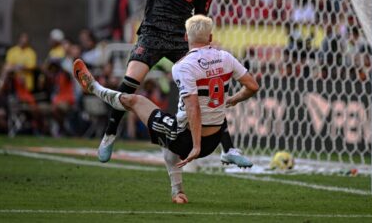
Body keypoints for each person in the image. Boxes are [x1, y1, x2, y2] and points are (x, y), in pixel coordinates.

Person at [69, 0, 253, 168]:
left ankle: (229, 149)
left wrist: (204, 48)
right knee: (129, 85)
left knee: (206, 86)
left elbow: (199, 22)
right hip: (152, 34)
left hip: (179, 39)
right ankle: (109, 135)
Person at [73, 15, 259, 203]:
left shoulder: (183, 66)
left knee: (134, 101)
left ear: (186, 37)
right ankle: (179, 191)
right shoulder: (225, 57)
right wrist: (233, 100)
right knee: (166, 127)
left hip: (187, 141)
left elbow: (192, 106)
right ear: (210, 38)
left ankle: (95, 89)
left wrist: (195, 146)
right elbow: (252, 86)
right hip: (214, 139)